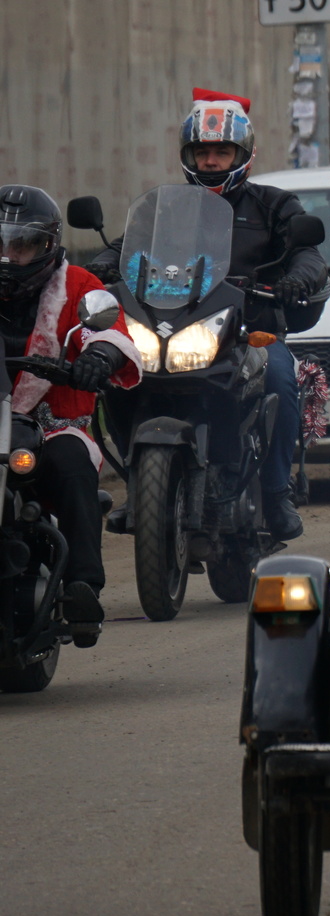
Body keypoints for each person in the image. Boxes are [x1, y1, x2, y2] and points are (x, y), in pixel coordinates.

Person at [147, 90, 329, 539]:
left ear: (243, 154)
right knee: (126, 370)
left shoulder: (274, 205)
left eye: (221, 151)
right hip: (179, 329)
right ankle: (142, 482)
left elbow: (307, 254)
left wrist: (296, 279)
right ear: (189, 155)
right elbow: (125, 251)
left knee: (281, 380)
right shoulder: (163, 207)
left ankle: (275, 492)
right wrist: (99, 269)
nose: (211, 161)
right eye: (203, 152)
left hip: (254, 332)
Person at [2, 186, 142, 644]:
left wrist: (98, 359)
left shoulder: (79, 285)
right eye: (1, 243)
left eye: (22, 244)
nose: (10, 256)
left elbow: (115, 334)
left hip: (52, 424)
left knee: (71, 464)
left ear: (48, 244)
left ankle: (83, 587)